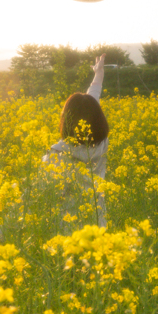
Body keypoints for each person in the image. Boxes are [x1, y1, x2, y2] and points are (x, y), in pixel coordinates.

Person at [41, 53, 108, 234]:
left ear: (67, 121)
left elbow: (44, 195)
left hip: (69, 232)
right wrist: (98, 75)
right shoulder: (102, 143)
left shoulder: (58, 154)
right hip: (98, 222)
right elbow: (92, 103)